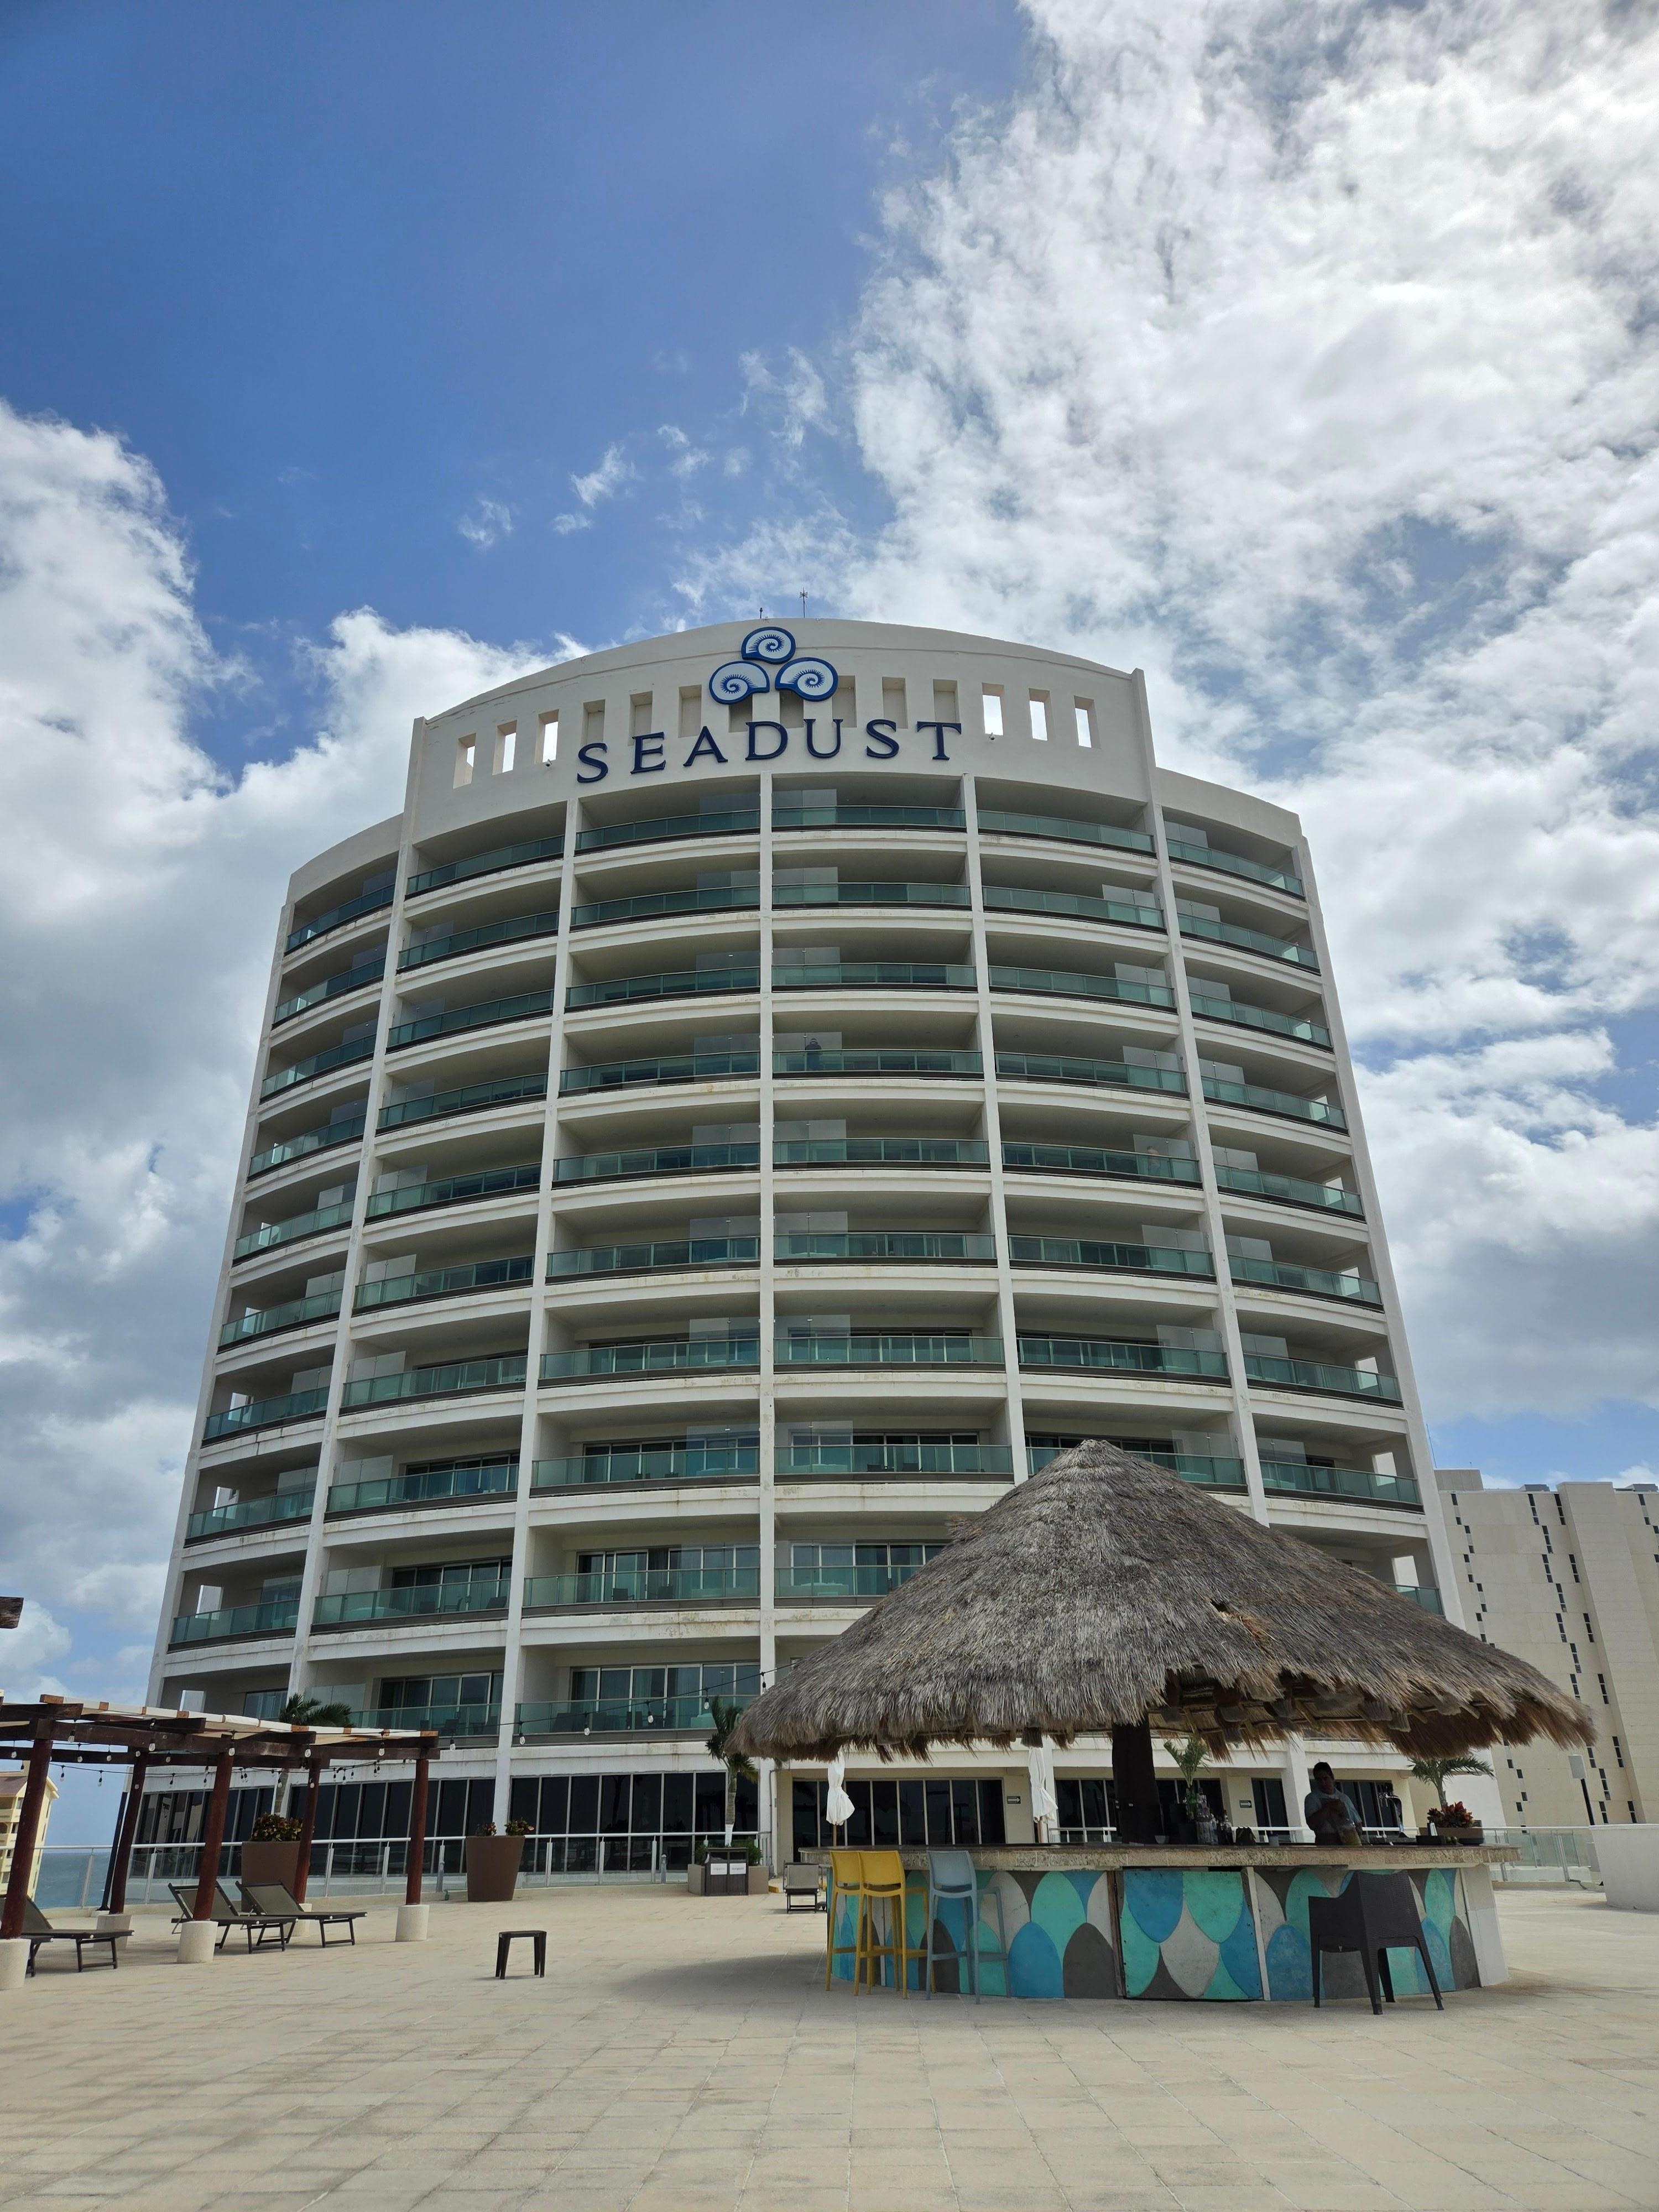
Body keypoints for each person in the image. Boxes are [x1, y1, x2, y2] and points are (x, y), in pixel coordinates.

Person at [1303, 1761, 1360, 1846]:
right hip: (1326, 1844)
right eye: (1319, 1780)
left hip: (1348, 1843)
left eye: (1325, 1779)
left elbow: (1358, 1823)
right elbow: (1312, 1824)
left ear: (1332, 1777)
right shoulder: (1312, 1799)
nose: (1323, 1783)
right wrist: (1329, 1807)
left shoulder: (1344, 1798)